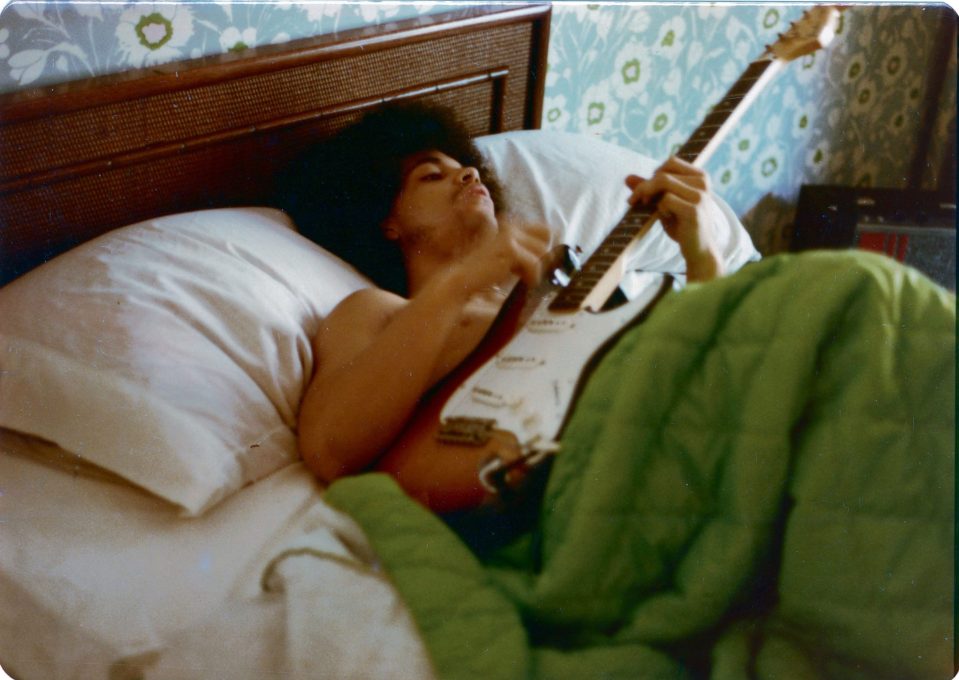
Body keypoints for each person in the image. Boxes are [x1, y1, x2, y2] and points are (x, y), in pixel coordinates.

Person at [273, 103, 727, 504]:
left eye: (465, 166)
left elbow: (696, 369)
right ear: (386, 221)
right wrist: (457, 286)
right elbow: (329, 451)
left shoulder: (566, 282)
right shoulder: (378, 310)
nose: (468, 173)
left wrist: (703, 253)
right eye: (432, 175)